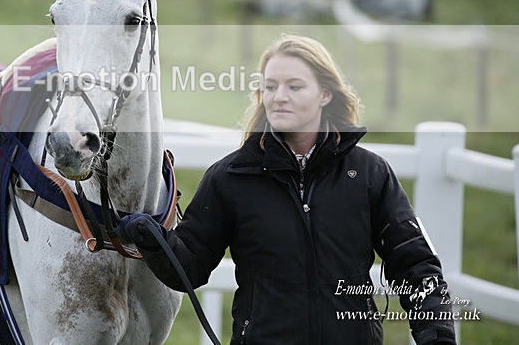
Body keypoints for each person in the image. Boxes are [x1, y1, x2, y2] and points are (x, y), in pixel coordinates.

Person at [119, 34, 456, 344]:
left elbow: (417, 266)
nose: (279, 97)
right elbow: (190, 267)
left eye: (295, 86)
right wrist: (155, 242)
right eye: (270, 86)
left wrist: (437, 337)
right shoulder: (229, 178)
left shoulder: (369, 173)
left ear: (325, 94)